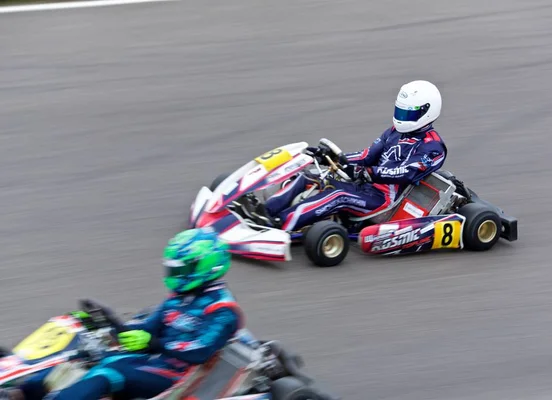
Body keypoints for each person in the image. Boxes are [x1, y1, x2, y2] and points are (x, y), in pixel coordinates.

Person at [0, 228, 242, 400]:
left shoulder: (222, 310)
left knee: (108, 374)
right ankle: (19, 392)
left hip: (179, 373)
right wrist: (109, 322)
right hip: (150, 361)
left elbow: (198, 351)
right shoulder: (178, 299)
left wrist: (153, 342)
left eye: (182, 269)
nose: (174, 274)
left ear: (206, 267)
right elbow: (147, 329)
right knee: (81, 359)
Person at [264, 80, 448, 231]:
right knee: (309, 177)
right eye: (401, 111)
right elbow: (366, 156)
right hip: (366, 187)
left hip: (384, 202)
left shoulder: (432, 147)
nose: (402, 117)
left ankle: (280, 224)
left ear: (426, 112)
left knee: (338, 195)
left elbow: (406, 173)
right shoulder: (393, 132)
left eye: (409, 113)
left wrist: (367, 173)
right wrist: (331, 158)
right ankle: (266, 211)